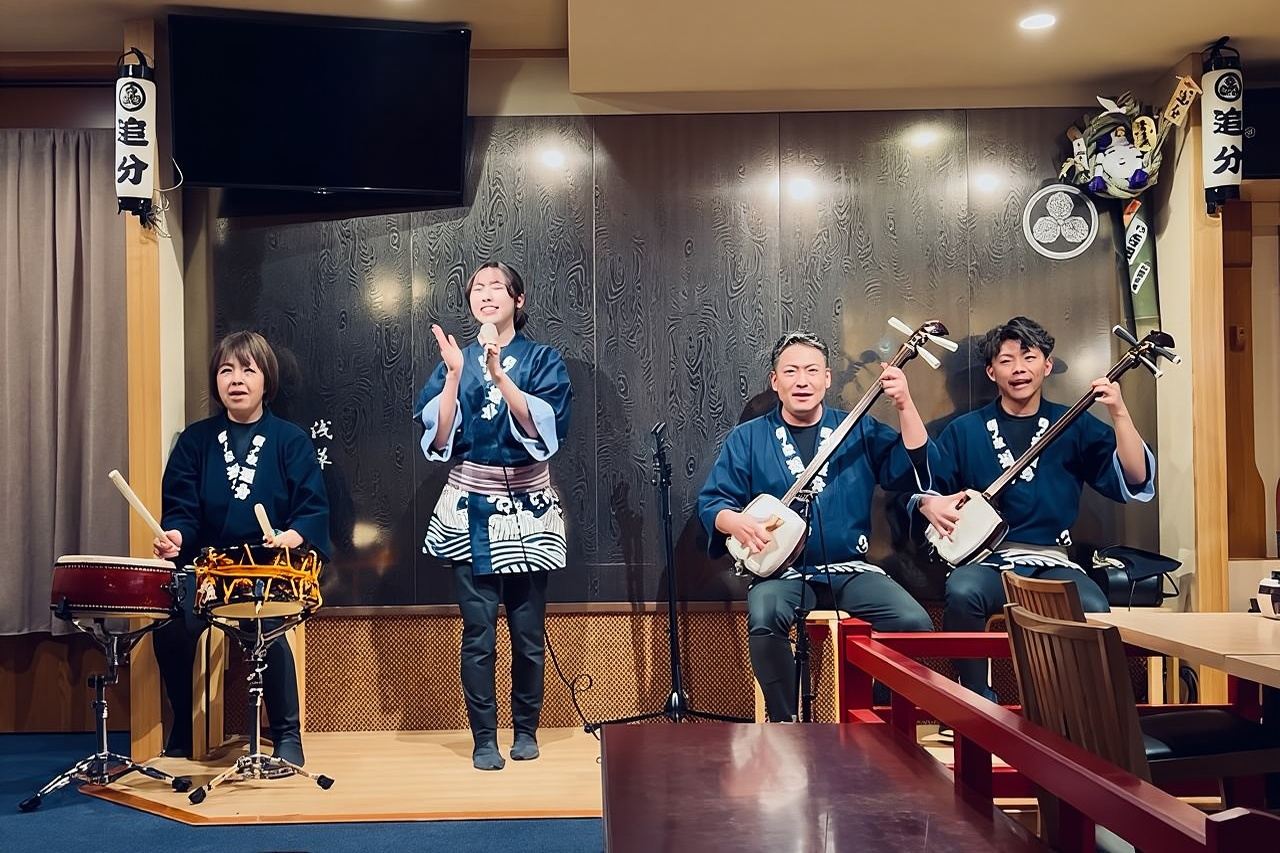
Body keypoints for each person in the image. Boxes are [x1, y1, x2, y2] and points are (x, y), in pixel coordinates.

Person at [697, 331, 935, 723]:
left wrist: (905, 404)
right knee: (764, 617)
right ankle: (787, 724)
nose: (802, 381)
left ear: (827, 378)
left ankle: (875, 716)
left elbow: (910, 470)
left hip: (850, 569)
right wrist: (734, 521)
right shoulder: (749, 437)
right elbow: (713, 502)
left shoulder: (858, 428)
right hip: (783, 572)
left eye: (811, 370)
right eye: (790, 371)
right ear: (775, 382)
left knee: (912, 623)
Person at [918, 316, 1154, 700]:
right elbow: (932, 490)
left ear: (1046, 365)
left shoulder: (1072, 423)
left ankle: (1079, 709)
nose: (1018, 369)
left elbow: (1135, 475)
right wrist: (930, 504)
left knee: (1093, 604)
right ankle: (975, 699)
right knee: (963, 591)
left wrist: (1119, 413)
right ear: (991, 371)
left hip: (1053, 561)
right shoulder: (965, 429)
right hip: (989, 562)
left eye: (1028, 357)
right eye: (1006, 360)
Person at [415, 261, 572, 770]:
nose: (485, 295)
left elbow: (547, 433)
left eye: (496, 287)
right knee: (477, 633)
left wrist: (501, 377)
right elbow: (437, 440)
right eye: (476, 288)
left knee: (528, 636)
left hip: (529, 508)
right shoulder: (451, 361)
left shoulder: (543, 359)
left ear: (517, 300)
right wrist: (455, 377)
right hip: (467, 506)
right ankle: (484, 737)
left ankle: (526, 730)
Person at [152, 331, 330, 766]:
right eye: (226, 370)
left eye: (247, 369)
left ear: (265, 380)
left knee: (266, 630)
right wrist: (176, 535)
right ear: (216, 382)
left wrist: (294, 535)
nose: (236, 379)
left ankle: (287, 734)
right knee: (172, 626)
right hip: (209, 568)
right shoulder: (195, 442)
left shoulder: (290, 441)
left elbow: (312, 506)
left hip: (268, 568)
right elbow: (182, 511)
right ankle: (184, 726)